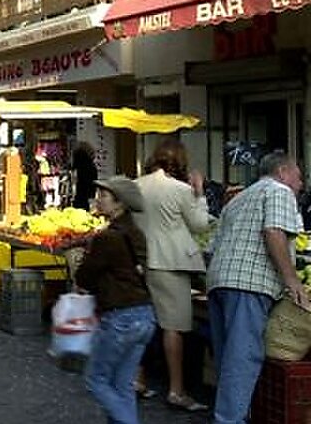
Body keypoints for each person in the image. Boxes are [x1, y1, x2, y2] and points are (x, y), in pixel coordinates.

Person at [206, 152, 307, 424]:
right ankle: (229, 420)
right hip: (249, 286)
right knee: (241, 361)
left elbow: (211, 247)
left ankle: (234, 416)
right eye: (299, 178)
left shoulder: (237, 199)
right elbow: (273, 231)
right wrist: (291, 279)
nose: (300, 185)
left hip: (218, 282)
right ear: (283, 172)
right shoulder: (279, 191)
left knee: (228, 360)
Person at [132, 138, 212, 411]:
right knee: (173, 326)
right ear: (180, 161)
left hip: (142, 262)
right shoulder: (180, 189)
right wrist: (199, 193)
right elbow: (200, 225)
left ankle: (138, 379)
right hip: (171, 263)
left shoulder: (137, 186)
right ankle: (177, 390)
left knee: (145, 321)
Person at [74, 176, 156, 424]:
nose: (98, 199)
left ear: (119, 204)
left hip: (121, 317)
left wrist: (81, 259)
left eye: (103, 196)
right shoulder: (136, 233)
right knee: (122, 385)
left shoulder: (107, 238)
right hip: (145, 315)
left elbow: (85, 277)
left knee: (95, 380)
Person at [72, 142, 98, 211]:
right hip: (88, 199)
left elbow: (75, 183)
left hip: (79, 198)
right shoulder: (92, 167)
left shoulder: (78, 167)